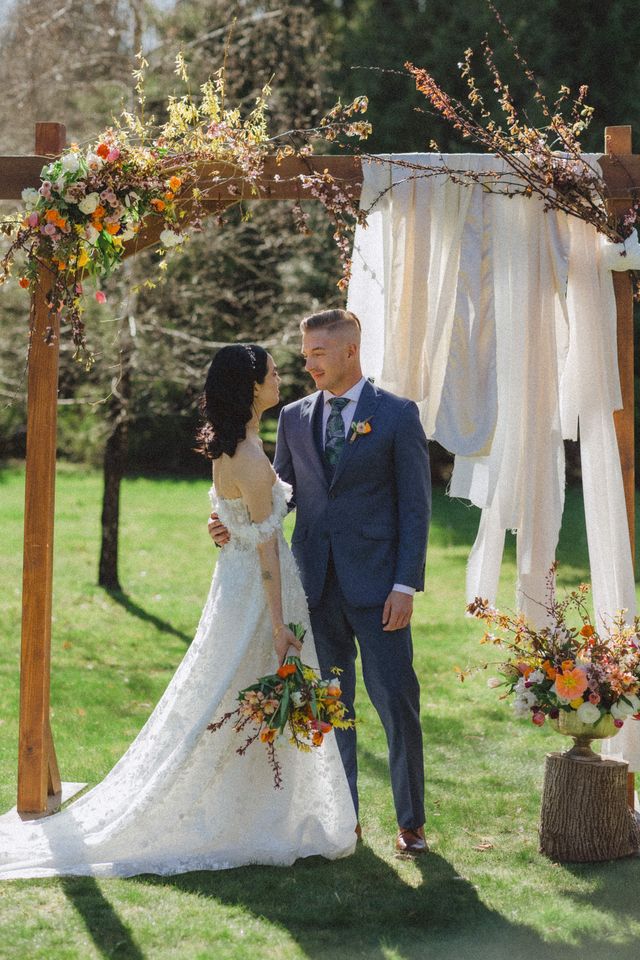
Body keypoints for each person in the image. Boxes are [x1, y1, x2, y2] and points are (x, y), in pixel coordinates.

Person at [0, 344, 357, 880]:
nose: (281, 378)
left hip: (236, 583)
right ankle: (244, 813)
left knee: (236, 690)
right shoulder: (251, 459)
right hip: (261, 592)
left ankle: (262, 808)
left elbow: (227, 512)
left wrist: (223, 528)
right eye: (273, 373)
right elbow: (264, 547)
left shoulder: (232, 449)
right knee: (241, 689)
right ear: (251, 386)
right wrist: (280, 622)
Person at [211, 311, 431, 855]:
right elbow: (279, 496)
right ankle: (345, 821)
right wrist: (232, 520)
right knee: (334, 706)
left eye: (318, 354)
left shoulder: (398, 416)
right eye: (305, 354)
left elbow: (416, 509)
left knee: (395, 702)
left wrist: (406, 584)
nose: (307, 364)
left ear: (350, 352)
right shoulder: (292, 418)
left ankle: (411, 824)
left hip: (381, 591)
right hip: (314, 587)